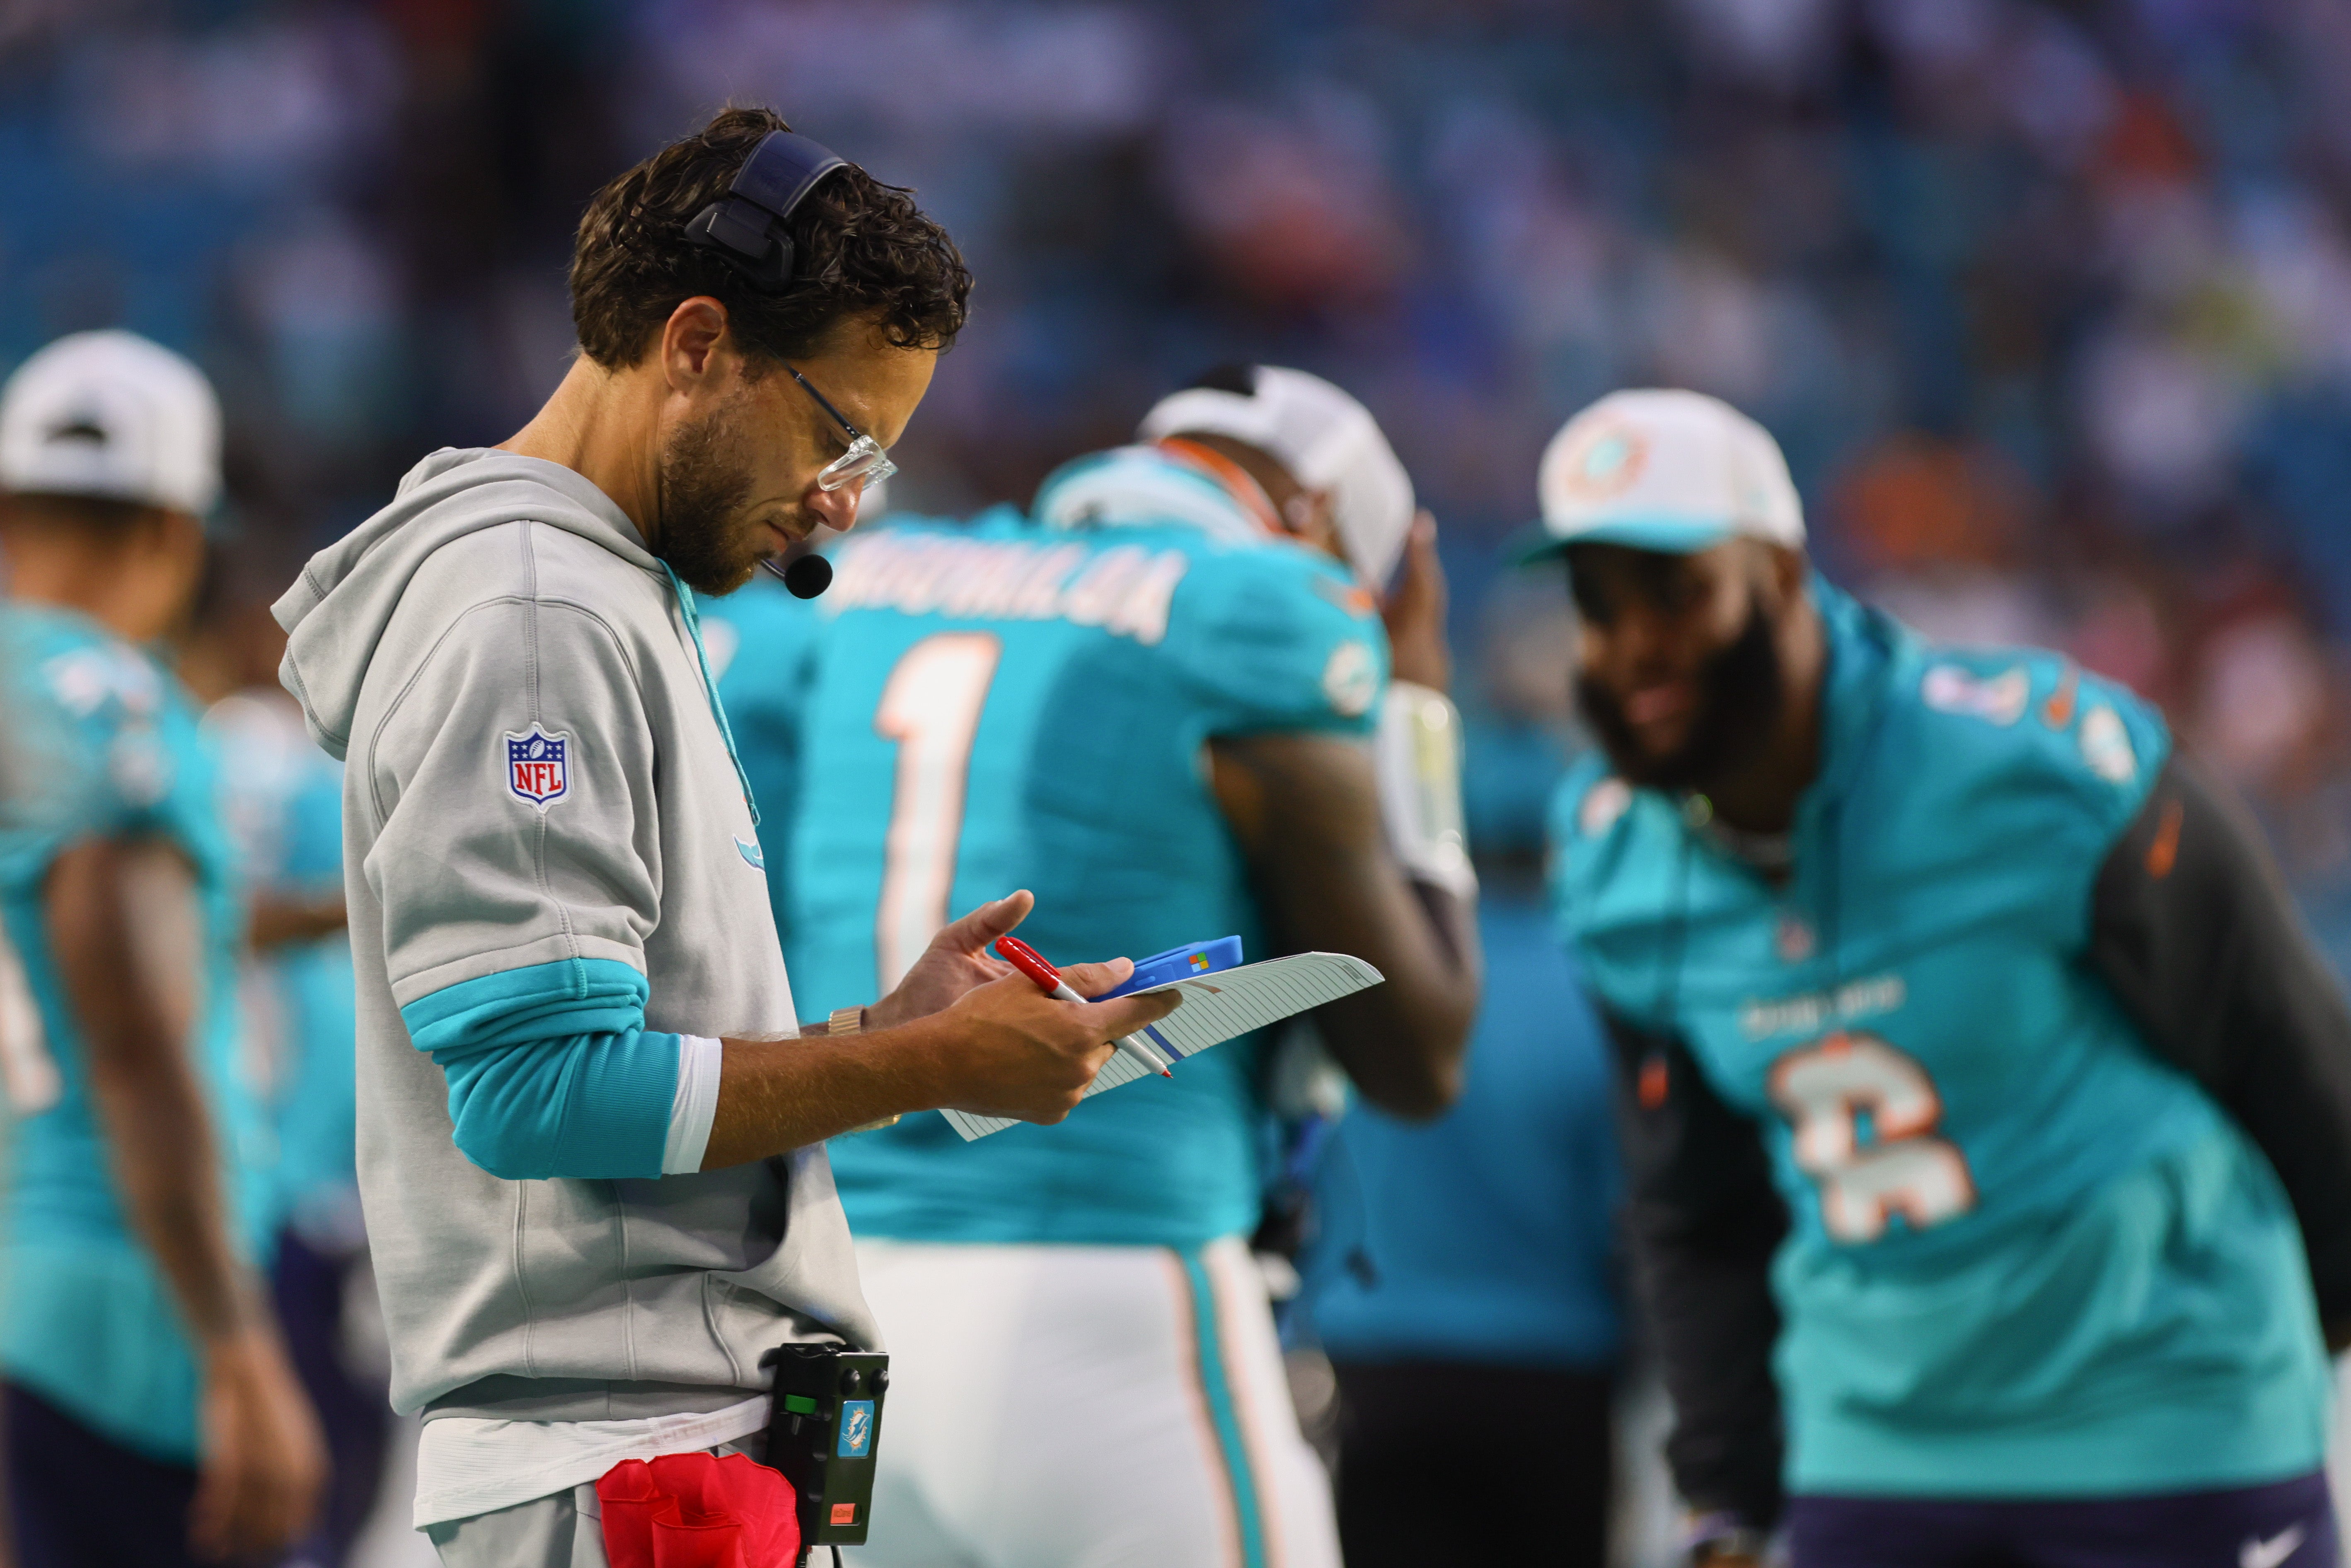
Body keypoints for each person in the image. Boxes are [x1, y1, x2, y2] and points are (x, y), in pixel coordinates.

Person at [268, 106, 1180, 1566]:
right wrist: (925, 1062)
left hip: (652, 1451)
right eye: (841, 429)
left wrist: (881, 1030)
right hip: (625, 1463)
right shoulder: (532, 607)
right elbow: (533, 1093)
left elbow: (619, 1062)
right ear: (697, 342)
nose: (842, 498)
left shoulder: (593, 587)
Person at [1533, 389, 2351, 1568]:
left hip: (2161, 1414)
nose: (1633, 644)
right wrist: (1726, 1495)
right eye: (1595, 604)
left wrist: (2273, 1339)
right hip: (1877, 1445)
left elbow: (2280, 1041)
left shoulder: (2036, 763)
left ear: (1779, 574)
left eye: (1674, 590)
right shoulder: (1614, 860)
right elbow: (1695, 1208)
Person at [712, 365, 1482, 1568]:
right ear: (1326, 526)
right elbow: (1421, 1054)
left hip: (832, 1297)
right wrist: (1422, 719)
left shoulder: (869, 582)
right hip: (1109, 1294)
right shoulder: (1256, 608)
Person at [0, 330, 326, 1564]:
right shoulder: (116, 706)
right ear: (175, 534)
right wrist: (239, 1352)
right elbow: (135, 1035)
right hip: (131, 1319)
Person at [1299, 587, 1623, 1568]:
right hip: (1551, 1375)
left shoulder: (1382, 981)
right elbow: (1630, 1209)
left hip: (1373, 1365)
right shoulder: (1601, 991)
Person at [184, 562, 385, 1568]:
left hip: (258, 1144)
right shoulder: (274, 752)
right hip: (304, 1151)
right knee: (331, 1418)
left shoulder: (204, 748)